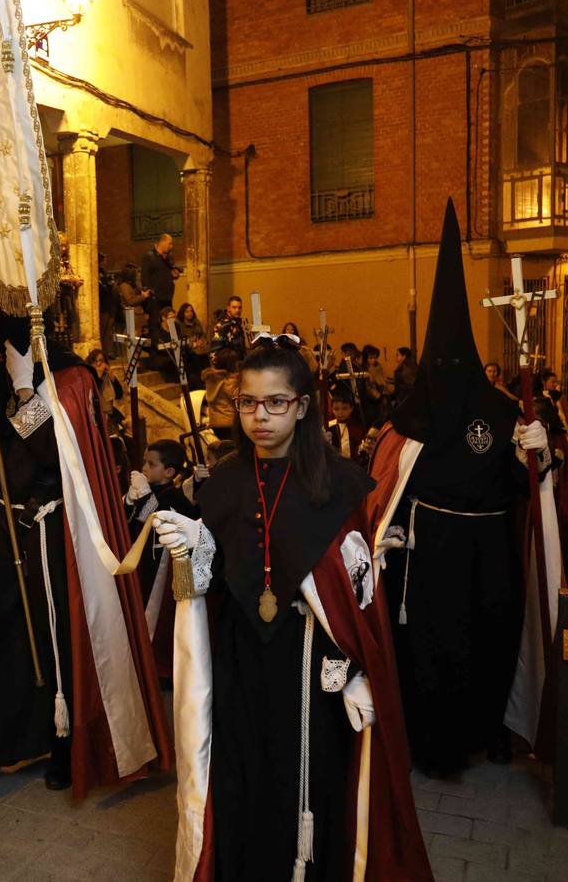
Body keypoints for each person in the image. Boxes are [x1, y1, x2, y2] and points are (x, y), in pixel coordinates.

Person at [153, 336, 431, 881]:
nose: (261, 416)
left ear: (302, 406)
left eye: (276, 402)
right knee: (240, 779)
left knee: (305, 783)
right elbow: (204, 596)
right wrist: (193, 553)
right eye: (249, 403)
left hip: (309, 672)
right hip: (239, 666)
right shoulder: (222, 483)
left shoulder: (339, 484)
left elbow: (353, 593)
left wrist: (350, 668)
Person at [0, 312, 172, 800]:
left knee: (58, 639)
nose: (6, 344)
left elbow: (61, 457)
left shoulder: (73, 379)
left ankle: (63, 746)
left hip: (51, 527)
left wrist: (29, 394)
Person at [366, 202, 553, 774]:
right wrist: (384, 539)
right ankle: (432, 742)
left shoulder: (500, 413)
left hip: (490, 554)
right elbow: (384, 491)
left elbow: (528, 489)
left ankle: (488, 731)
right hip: (425, 561)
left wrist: (539, 456)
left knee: (490, 641)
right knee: (431, 650)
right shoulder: (410, 417)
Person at [125, 439, 197, 679]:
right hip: (142, 564)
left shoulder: (175, 498)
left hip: (162, 571)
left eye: (151, 464)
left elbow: (154, 518)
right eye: (145, 461)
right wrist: (129, 500)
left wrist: (145, 496)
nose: (144, 467)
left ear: (168, 472)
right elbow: (127, 524)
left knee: (157, 617)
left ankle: (159, 667)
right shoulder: (149, 492)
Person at [201, 347, 241, 441]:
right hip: (230, 423)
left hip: (216, 423)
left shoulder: (212, 379)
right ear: (232, 364)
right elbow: (239, 402)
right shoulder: (230, 382)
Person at [140, 232, 179, 320]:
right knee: (156, 325)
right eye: (170, 244)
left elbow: (169, 273)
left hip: (167, 298)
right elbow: (145, 279)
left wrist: (175, 275)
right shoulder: (149, 257)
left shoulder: (169, 257)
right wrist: (149, 298)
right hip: (155, 301)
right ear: (162, 242)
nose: (171, 246)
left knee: (169, 325)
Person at [326, 388, 366, 464]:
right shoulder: (329, 426)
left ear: (351, 408)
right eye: (336, 409)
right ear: (332, 409)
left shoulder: (356, 427)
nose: (340, 412)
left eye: (345, 408)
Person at [176, 302, 211, 385]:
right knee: (196, 359)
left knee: (205, 357)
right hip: (188, 349)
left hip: (199, 346)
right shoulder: (179, 324)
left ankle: (207, 379)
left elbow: (202, 334)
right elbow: (180, 338)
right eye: (187, 312)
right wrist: (193, 343)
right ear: (183, 313)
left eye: (191, 311)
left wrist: (201, 341)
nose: (190, 313)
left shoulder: (196, 321)